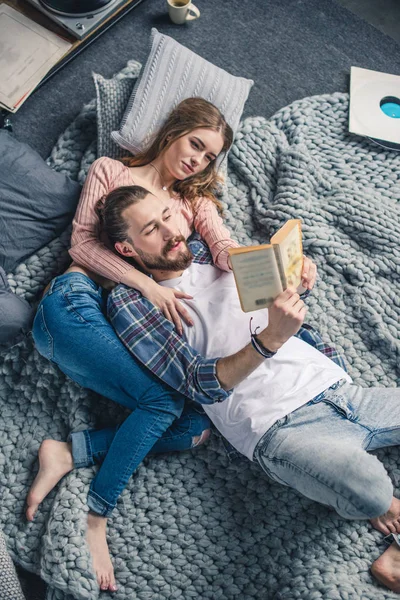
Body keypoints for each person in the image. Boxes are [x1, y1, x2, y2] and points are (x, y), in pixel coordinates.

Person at [96, 185, 400, 594]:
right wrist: (268, 340)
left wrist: (297, 280)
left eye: (168, 215)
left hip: (342, 392)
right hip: (280, 426)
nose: (171, 232)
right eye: (151, 228)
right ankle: (382, 518)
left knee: (369, 488)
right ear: (126, 249)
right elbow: (196, 382)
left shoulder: (209, 250)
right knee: (373, 490)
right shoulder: (131, 302)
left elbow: (270, 298)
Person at [26, 97, 242, 593]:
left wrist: (279, 266)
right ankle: (95, 518)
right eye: (195, 145)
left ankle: (67, 452)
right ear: (173, 132)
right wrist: (146, 284)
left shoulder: (190, 204)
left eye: (210, 157)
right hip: (77, 304)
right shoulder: (110, 171)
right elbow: (81, 246)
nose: (198, 161)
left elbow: (226, 248)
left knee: (192, 428)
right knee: (163, 401)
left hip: (130, 323)